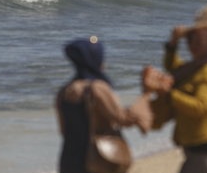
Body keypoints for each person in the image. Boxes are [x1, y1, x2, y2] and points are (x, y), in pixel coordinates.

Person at [142, 3, 207, 173]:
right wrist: (173, 44)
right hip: (199, 149)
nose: (193, 44)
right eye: (190, 38)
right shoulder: (194, 69)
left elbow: (199, 106)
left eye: (199, 39)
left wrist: (169, 95)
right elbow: (174, 70)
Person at [55, 36, 152, 173]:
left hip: (68, 160)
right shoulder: (97, 88)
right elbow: (122, 118)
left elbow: (63, 130)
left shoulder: (63, 92)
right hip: (95, 161)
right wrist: (146, 95)